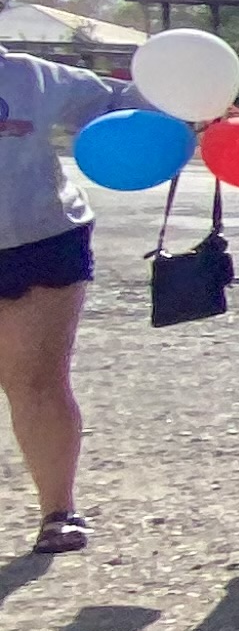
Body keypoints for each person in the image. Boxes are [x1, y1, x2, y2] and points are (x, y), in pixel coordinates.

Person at [2, 47, 167, 555]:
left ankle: (58, 511)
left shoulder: (32, 76)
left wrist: (178, 94)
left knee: (36, 380)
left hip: (39, 241)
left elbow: (121, 106)